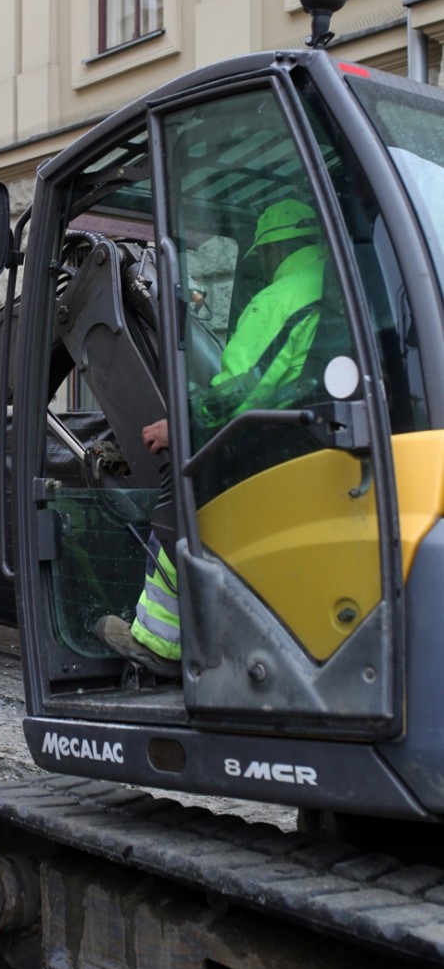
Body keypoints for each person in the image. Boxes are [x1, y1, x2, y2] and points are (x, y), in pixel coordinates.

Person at [96, 198, 328, 677]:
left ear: (276, 247)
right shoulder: (338, 287)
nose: (261, 265)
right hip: (311, 441)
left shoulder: (281, 297)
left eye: (262, 254)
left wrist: (181, 427)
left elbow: (238, 390)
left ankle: (158, 641)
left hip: (274, 449)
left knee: (180, 499)